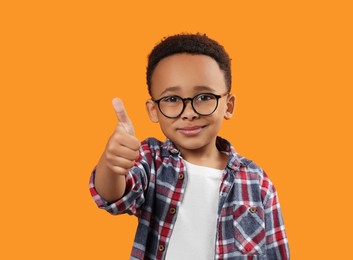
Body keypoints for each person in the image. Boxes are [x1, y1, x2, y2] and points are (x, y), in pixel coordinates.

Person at [89, 33, 290, 260]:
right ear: (153, 110)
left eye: (204, 97)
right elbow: (113, 197)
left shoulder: (257, 181)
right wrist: (112, 163)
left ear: (228, 105)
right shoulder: (151, 160)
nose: (190, 113)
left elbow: (275, 251)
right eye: (172, 99)